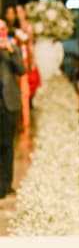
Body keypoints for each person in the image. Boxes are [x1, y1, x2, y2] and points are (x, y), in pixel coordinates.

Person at [0, 19, 25, 199]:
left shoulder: (13, 48)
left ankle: (6, 184)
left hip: (8, 102)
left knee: (8, 144)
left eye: (2, 29)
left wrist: (11, 51)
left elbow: (22, 70)